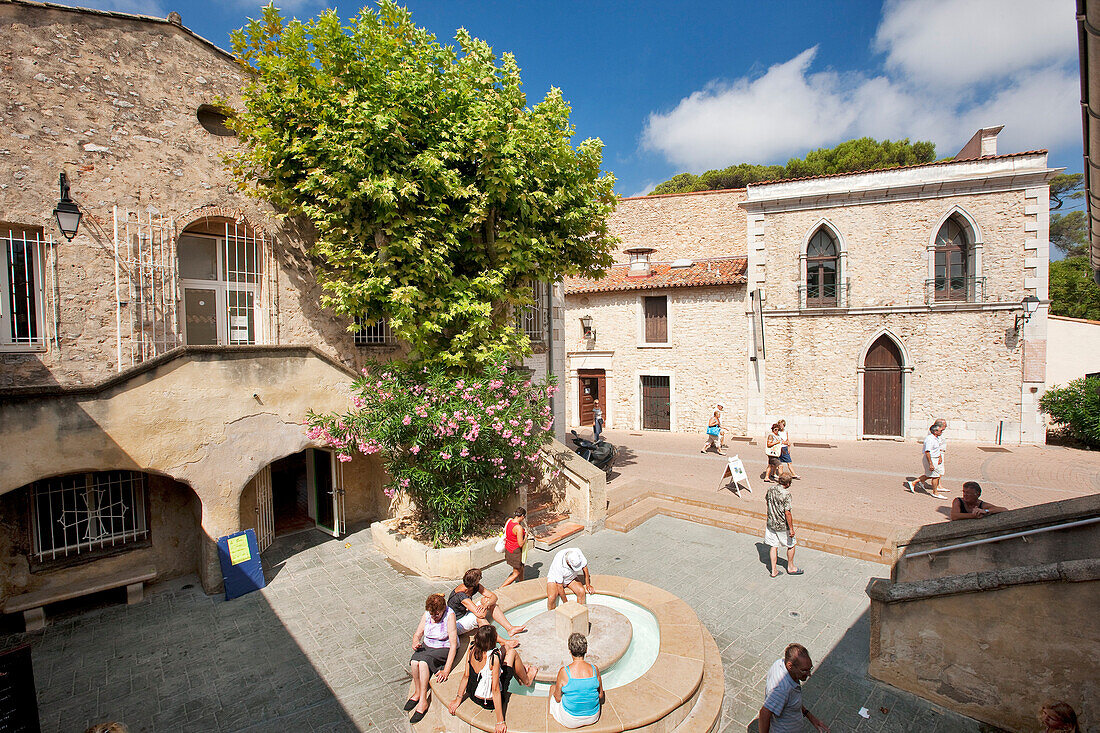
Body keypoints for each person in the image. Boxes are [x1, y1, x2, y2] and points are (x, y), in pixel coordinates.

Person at [447, 625, 539, 733]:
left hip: (473, 694)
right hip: (488, 702)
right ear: (491, 641)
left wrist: (458, 699)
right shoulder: (493, 658)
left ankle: (520, 671)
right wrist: (500, 721)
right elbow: (495, 689)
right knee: (512, 653)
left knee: (506, 647)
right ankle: (526, 680)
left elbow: (466, 676)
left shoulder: (471, 649)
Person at [407, 593, 458, 723]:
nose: (434, 617)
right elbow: (418, 634)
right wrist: (415, 642)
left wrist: (446, 670)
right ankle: (417, 692)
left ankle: (423, 701)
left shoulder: (449, 615)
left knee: (423, 663)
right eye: (432, 614)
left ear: (442, 610)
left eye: (437, 614)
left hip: (443, 647)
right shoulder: (427, 614)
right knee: (414, 662)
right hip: (428, 645)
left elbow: (453, 645)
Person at [758, 643, 829, 733]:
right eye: (804, 670)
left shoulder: (779, 663)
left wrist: (811, 717)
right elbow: (764, 714)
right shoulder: (782, 690)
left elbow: (792, 701)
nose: (809, 674)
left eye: (809, 669)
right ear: (790, 666)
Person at [448, 568, 526, 639]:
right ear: (476, 582)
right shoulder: (461, 595)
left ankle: (510, 629)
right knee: (480, 618)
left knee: (487, 602)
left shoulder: (474, 587)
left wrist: (486, 604)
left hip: (464, 614)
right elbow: (481, 615)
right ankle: (501, 640)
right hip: (456, 623)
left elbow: (494, 596)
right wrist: (483, 608)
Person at [549, 632, 604, 728]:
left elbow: (557, 698)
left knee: (552, 689)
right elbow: (600, 695)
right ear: (586, 649)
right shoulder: (595, 669)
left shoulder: (564, 671)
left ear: (570, 651)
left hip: (570, 720)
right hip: (593, 717)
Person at [765, 475, 801, 577]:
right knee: (791, 544)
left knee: (773, 545)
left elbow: (767, 501)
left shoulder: (770, 489)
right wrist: (791, 529)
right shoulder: (786, 494)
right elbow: (787, 513)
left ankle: (773, 570)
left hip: (771, 522)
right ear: (788, 483)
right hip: (782, 525)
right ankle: (790, 567)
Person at [904, 420, 948, 499]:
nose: (942, 432)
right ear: (935, 431)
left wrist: (940, 457)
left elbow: (938, 449)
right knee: (935, 476)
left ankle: (914, 483)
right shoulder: (930, 439)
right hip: (930, 459)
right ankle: (935, 492)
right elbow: (927, 452)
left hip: (935, 458)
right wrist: (930, 463)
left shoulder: (936, 438)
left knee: (930, 475)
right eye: (940, 430)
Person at [498, 507, 528, 588]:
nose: (524, 519)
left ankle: (522, 584)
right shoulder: (518, 528)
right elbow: (520, 543)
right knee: (516, 573)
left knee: (521, 567)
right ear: (522, 516)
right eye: (524, 517)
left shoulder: (509, 521)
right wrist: (526, 537)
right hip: (515, 552)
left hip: (509, 549)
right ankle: (501, 588)